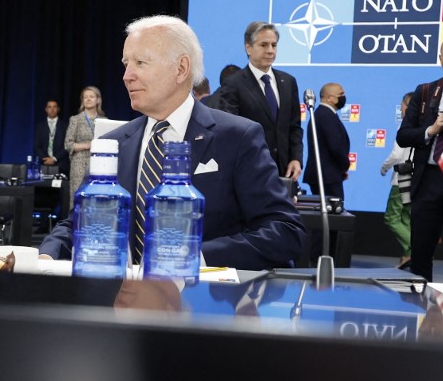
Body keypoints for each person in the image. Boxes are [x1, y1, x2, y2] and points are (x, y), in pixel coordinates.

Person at [39, 15, 305, 271]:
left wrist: (194, 258)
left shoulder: (237, 137)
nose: (126, 76)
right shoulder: (113, 144)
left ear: (181, 69)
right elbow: (77, 223)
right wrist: (46, 255)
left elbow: (285, 230)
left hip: (203, 306)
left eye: (140, 63)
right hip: (120, 306)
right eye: (126, 64)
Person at [210, 22, 304, 183]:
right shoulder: (234, 83)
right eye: (263, 45)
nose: (270, 50)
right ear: (248, 48)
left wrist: (296, 158)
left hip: (283, 173)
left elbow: (294, 127)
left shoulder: (288, 82)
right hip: (248, 171)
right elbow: (230, 130)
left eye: (274, 45)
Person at [397, 39, 443, 282]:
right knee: (421, 254)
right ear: (440, 59)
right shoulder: (425, 91)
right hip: (429, 179)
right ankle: (419, 313)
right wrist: (431, 130)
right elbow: (403, 136)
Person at [380, 92, 414, 270]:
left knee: (392, 218)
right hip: (415, 178)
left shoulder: (406, 125)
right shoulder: (422, 124)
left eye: (401, 105)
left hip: (401, 179)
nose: (400, 109)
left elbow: (397, 154)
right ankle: (407, 254)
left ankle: (415, 248)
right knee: (407, 218)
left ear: (408, 107)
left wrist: (384, 167)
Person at [303, 83, 350, 201]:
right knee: (334, 215)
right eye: (341, 94)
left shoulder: (323, 114)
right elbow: (335, 146)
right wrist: (344, 166)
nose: (343, 97)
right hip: (326, 176)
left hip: (327, 174)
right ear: (329, 98)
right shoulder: (325, 115)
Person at [64, 85, 105, 197]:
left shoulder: (104, 121)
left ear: (98, 100)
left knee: (96, 195)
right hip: (79, 164)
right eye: (85, 97)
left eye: (91, 96)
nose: (88, 99)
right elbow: (68, 144)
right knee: (78, 195)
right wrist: (88, 145)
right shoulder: (75, 119)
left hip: (98, 163)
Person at [33, 99, 69, 176]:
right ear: (46, 109)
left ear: (58, 109)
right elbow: (37, 146)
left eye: (54, 107)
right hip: (43, 164)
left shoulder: (66, 126)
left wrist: (54, 159)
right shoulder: (40, 126)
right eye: (49, 107)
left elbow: (67, 145)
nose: (52, 109)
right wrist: (45, 159)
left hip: (61, 164)